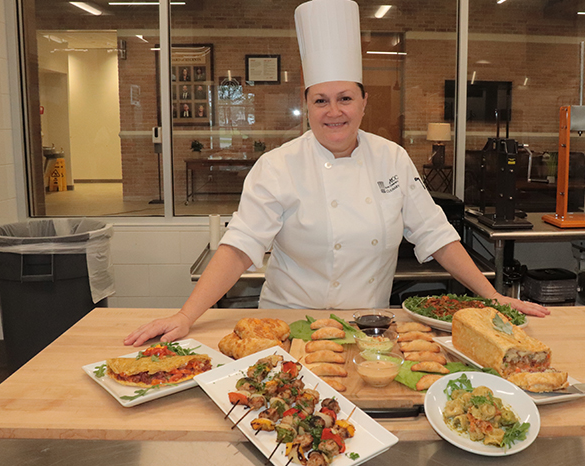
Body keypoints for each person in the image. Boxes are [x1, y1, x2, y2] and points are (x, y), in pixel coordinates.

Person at [125, 0, 548, 347]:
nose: (334, 111)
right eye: (320, 100)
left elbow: (437, 236)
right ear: (307, 107)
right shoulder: (277, 166)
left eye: (345, 98)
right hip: (286, 328)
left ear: (364, 103)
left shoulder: (392, 159)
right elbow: (239, 247)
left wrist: (492, 296)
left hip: (368, 328)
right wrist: (185, 316)